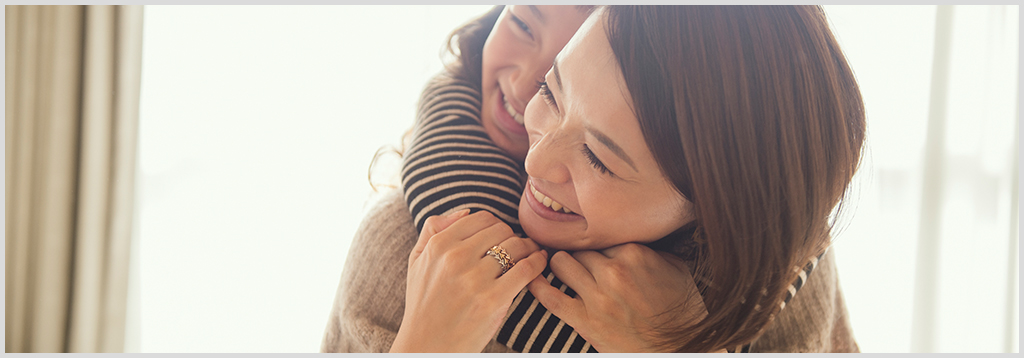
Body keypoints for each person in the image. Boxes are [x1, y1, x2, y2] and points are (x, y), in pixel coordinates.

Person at [322, 5, 860, 353]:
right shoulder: (410, 255)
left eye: (599, 159)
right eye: (551, 93)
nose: (535, 163)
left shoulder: (783, 281)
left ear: (711, 210)